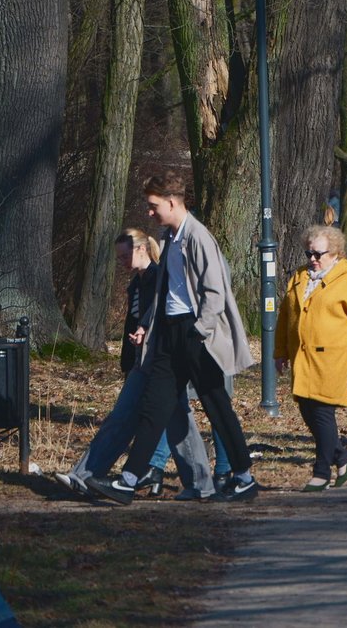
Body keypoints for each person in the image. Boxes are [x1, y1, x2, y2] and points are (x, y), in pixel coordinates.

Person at [85, 171, 258, 505]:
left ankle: (244, 477)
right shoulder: (168, 238)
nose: (149, 213)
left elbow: (215, 293)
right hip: (168, 333)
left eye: (153, 206)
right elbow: (166, 293)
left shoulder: (199, 237)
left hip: (194, 335)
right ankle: (129, 481)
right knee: (155, 406)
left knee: (217, 406)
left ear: (171, 202)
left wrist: (198, 333)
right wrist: (150, 326)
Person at [55, 228, 218, 501]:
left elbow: (161, 315)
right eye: (118, 256)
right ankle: (201, 484)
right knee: (175, 419)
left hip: (158, 359)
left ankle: (84, 476)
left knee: (131, 417)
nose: (121, 261)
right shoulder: (137, 282)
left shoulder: (158, 277)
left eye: (125, 254)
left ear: (142, 249)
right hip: (145, 361)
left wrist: (145, 333)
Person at [274, 225, 347, 491]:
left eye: (319, 253)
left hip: (332, 358)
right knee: (307, 409)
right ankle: (342, 456)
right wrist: (280, 352)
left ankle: (321, 472)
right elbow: (285, 317)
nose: (313, 258)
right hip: (302, 357)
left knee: (322, 412)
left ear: (335, 252)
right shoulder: (299, 277)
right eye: (309, 252)